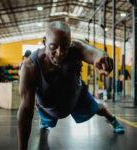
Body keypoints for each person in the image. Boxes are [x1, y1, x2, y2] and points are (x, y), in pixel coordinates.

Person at [17, 21, 124, 150]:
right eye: (53, 46)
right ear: (44, 41)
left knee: (98, 109)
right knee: (46, 121)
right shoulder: (30, 67)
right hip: (49, 105)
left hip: (75, 94)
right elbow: (26, 112)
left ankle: (112, 120)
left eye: (65, 47)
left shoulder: (76, 48)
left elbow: (93, 52)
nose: (60, 52)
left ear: (69, 43)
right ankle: (44, 122)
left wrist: (101, 57)